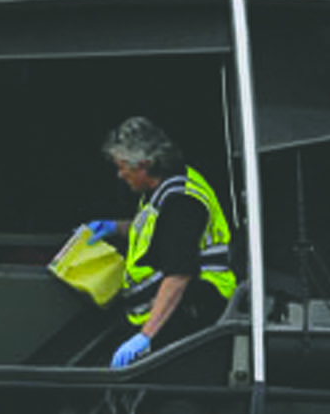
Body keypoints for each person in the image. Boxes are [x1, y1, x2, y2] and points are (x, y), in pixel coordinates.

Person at [86, 116, 238, 367]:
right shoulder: (162, 189)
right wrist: (115, 227)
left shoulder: (182, 203)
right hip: (162, 312)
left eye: (123, 166)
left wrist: (146, 336)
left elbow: (179, 274)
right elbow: (157, 232)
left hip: (192, 311)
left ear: (144, 165)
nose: (120, 174)